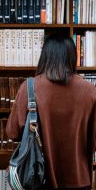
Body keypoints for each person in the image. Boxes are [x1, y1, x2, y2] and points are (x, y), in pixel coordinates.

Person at [6, 34, 96, 190]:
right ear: (72, 56)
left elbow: (12, 132)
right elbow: (93, 143)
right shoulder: (90, 91)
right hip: (79, 180)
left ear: (45, 56)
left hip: (37, 178)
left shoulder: (29, 88)